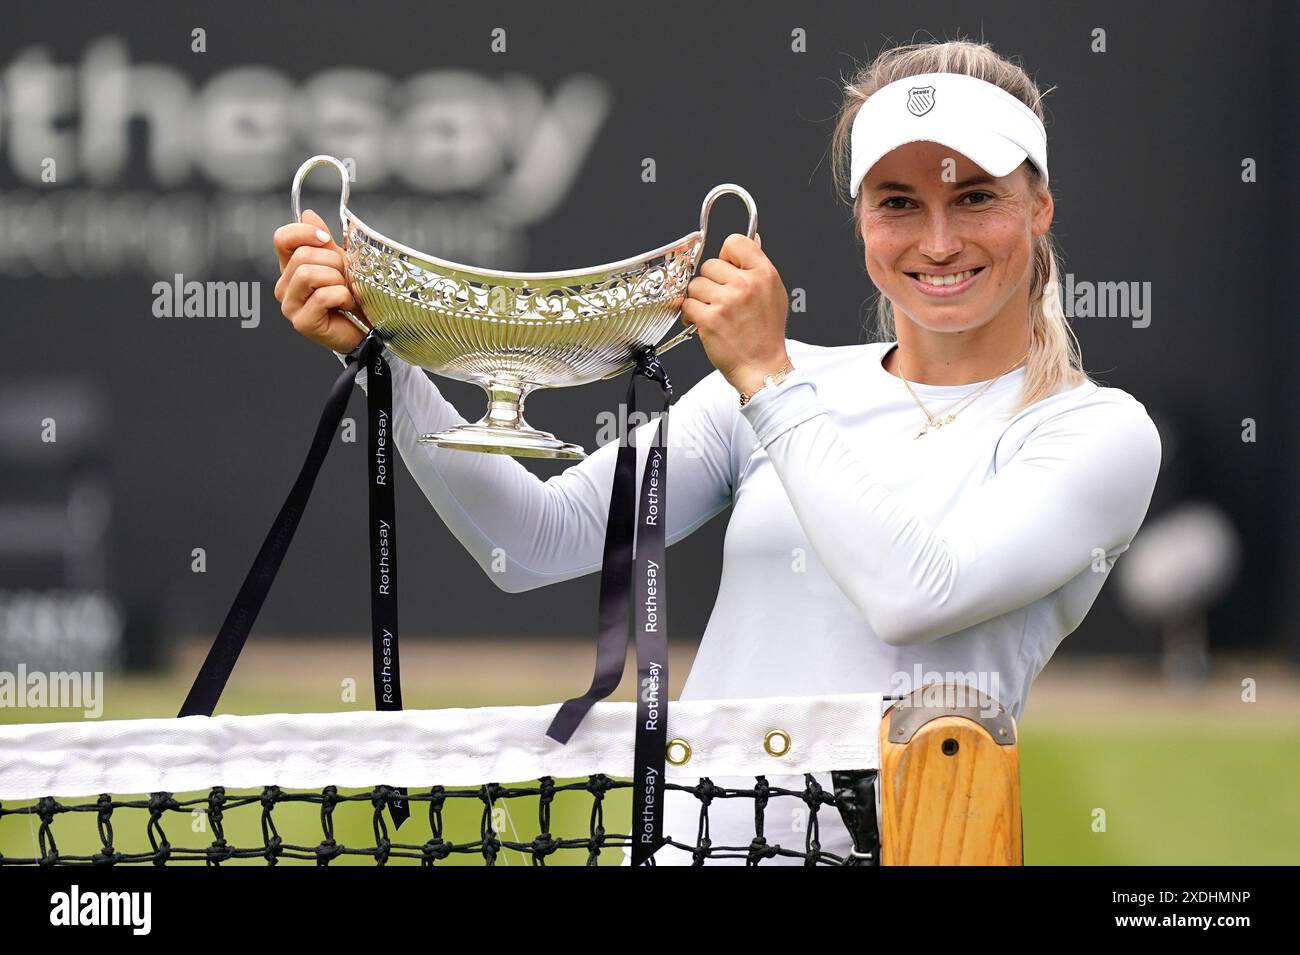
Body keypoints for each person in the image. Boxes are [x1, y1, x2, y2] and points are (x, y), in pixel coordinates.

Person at [272, 38, 1161, 865]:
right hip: (687, 845)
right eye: (899, 203)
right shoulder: (782, 384)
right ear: (861, 220)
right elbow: (534, 541)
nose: (937, 240)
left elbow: (914, 593)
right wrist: (381, 360)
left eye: (975, 196)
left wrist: (770, 382)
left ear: (1038, 205)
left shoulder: (1095, 431)